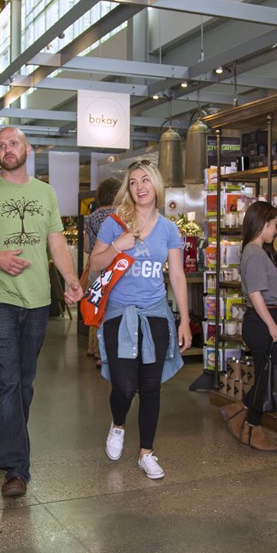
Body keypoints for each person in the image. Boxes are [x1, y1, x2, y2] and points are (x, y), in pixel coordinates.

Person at [0, 126, 83, 498]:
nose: (7, 149)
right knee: (8, 381)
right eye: (1, 145)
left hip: (38, 300)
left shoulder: (45, 192)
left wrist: (71, 279)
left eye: (13, 143)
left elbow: (55, 241)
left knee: (24, 383)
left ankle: (7, 439)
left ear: (28, 148)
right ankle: (16, 468)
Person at [88, 160, 192, 480]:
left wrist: (184, 320)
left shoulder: (169, 229)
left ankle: (146, 452)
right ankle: (118, 424)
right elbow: (94, 264)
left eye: (145, 180)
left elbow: (177, 275)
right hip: (119, 313)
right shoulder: (115, 223)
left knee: (150, 387)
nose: (139, 187)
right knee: (124, 384)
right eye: (133, 182)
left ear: (156, 185)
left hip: (156, 313)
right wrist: (117, 246)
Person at [219, 201, 277, 453]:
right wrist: (272, 326)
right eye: (274, 225)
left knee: (266, 376)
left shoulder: (257, 252)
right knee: (266, 378)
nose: (276, 231)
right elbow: (255, 294)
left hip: (263, 321)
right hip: (262, 323)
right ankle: (251, 427)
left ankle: (239, 411)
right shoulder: (253, 253)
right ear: (263, 224)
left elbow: (269, 288)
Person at [83, 177, 123, 367]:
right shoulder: (121, 215)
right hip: (115, 269)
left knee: (96, 307)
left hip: (96, 267)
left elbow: (86, 247)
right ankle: (103, 354)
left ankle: (93, 347)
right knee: (110, 311)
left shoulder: (92, 217)